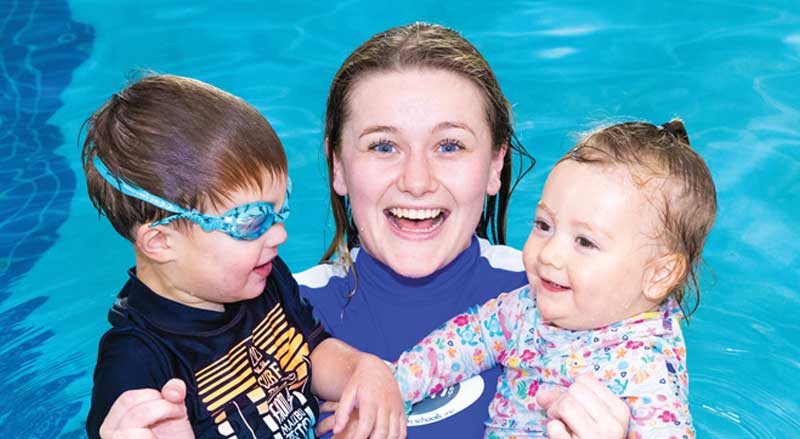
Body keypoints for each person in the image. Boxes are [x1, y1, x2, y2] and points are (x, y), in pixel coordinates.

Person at [296, 23, 630, 438]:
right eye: (383, 146)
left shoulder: (571, 299)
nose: (417, 181)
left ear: (494, 165)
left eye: (449, 146)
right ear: (338, 167)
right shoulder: (277, 313)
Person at [82, 75, 405, 439]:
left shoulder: (262, 276)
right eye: (252, 221)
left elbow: (312, 351)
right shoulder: (137, 365)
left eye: (280, 208)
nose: (280, 234)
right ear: (160, 242)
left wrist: (361, 370)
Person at [392, 120, 717, 438]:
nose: (549, 254)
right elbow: (469, 339)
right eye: (544, 225)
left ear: (658, 274)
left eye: (585, 242)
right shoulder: (527, 307)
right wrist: (395, 384)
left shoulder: (646, 370)